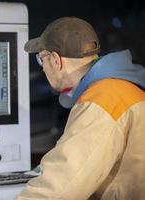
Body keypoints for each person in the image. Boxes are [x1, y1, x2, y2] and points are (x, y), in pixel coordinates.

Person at [15, 17, 145, 200]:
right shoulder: (123, 87)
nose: (43, 68)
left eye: (41, 59)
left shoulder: (103, 99)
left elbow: (62, 187)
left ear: (55, 60)